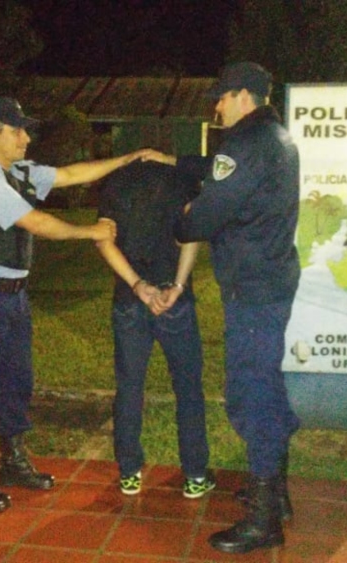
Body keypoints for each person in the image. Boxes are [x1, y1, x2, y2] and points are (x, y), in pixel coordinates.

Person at [0, 97, 161, 513]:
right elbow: (37, 223)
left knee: (17, 382)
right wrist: (92, 232)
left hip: (12, 296)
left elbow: (71, 174)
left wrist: (126, 159)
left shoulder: (20, 173)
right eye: (17, 130)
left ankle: (12, 461)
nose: (26, 138)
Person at [149, 62, 301, 553]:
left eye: (221, 97)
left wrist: (180, 220)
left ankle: (263, 519)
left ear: (243, 97)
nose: (216, 107)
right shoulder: (275, 138)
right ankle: (274, 494)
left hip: (252, 289)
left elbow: (203, 218)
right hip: (270, 280)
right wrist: (173, 161)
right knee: (266, 386)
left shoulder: (245, 144)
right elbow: (220, 172)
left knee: (250, 395)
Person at [95, 160, 215, 499]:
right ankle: (195, 474)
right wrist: (177, 285)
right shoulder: (183, 179)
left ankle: (129, 472)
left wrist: (137, 285)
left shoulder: (116, 182)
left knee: (129, 387)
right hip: (174, 300)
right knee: (188, 388)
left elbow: (103, 241)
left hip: (130, 301)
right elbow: (190, 236)